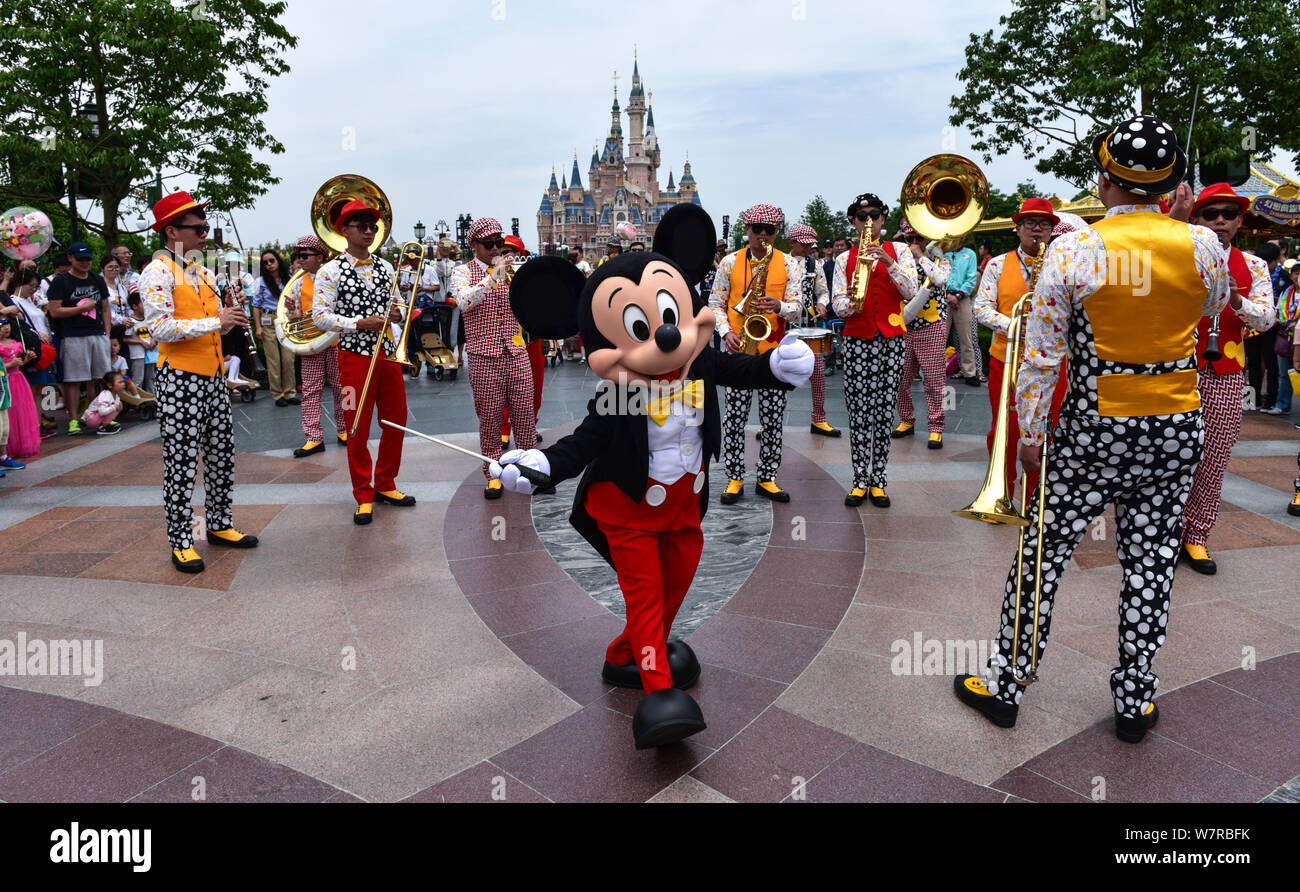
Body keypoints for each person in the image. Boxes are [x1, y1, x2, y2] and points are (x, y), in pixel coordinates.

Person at [953, 115, 1231, 743]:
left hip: (1093, 427)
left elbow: (1043, 353)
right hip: (1176, 420)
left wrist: (1028, 434)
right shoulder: (1204, 246)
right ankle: (1134, 699)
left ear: (1104, 178)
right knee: (1152, 559)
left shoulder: (1073, 249)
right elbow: (1212, 307)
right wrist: (1181, 229)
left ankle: (1006, 683)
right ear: (1170, 184)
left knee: (1042, 554)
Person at [141, 190, 259, 573]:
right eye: (198, 228)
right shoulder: (157, 272)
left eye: (205, 226)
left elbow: (215, 320)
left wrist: (231, 315)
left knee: (222, 454)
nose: (205, 233)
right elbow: (159, 328)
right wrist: (217, 321)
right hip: (179, 378)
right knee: (181, 461)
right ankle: (181, 541)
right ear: (172, 231)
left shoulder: (201, 271)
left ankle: (220, 524)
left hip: (211, 376)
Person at [1175, 184, 1276, 575]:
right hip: (1175, 367)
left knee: (1214, 457)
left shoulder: (1253, 266)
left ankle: (1197, 536)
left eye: (1228, 214)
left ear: (1238, 222)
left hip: (1227, 372)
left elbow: (1267, 320)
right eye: (1210, 213)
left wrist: (1237, 301)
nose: (1220, 220)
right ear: (1196, 219)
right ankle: (1163, 533)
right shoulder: (1178, 256)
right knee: (1168, 455)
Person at [312, 200, 416, 524]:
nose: (369, 231)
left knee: (396, 421)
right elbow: (320, 317)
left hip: (386, 354)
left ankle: (386, 483)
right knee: (356, 426)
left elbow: (397, 303)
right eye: (362, 226)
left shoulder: (386, 268)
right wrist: (359, 323)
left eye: (372, 226)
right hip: (353, 358)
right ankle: (363, 493)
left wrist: (397, 313)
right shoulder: (330, 271)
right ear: (345, 231)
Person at [973, 197, 1068, 498]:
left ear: (1052, 230)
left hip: (1052, 362)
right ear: (1018, 228)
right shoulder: (997, 264)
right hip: (1006, 358)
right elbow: (981, 308)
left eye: (1044, 224)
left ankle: (1036, 496)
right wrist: (1017, 326)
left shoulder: (1063, 264)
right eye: (1030, 223)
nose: (1037, 229)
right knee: (1005, 428)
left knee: (1048, 427)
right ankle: (1001, 490)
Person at [709, 204, 803, 504]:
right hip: (738, 351)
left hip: (774, 355)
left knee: (773, 419)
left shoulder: (790, 264)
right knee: (734, 419)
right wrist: (726, 332)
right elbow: (715, 303)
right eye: (756, 229)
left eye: (769, 230)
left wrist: (779, 307)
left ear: (777, 232)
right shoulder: (728, 263)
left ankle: (767, 478)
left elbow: (798, 308)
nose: (762, 235)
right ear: (747, 230)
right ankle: (735, 477)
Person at [831, 193, 919, 507]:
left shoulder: (902, 251)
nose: (868, 220)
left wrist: (888, 261)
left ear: (883, 219)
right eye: (861, 215)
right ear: (854, 222)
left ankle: (878, 479)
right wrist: (851, 302)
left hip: (892, 337)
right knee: (858, 411)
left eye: (874, 215)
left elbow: (910, 290)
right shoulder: (844, 259)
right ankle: (859, 480)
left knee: (884, 411)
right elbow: (837, 304)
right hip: (857, 338)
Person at [448, 217, 537, 499]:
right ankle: (493, 472)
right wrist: (493, 277)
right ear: (473, 244)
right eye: (489, 244)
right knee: (489, 418)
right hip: (483, 355)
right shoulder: (462, 272)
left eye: (499, 243)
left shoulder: (512, 270)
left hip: (516, 349)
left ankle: (531, 470)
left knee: (525, 414)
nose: (496, 249)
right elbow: (464, 302)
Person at [891, 217, 951, 449]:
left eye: (919, 238)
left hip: (932, 324)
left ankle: (936, 428)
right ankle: (906, 420)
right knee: (900, 379)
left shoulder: (939, 257)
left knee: (935, 380)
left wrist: (921, 256)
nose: (914, 242)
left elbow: (940, 279)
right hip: (903, 326)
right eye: (909, 238)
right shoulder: (899, 258)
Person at [283, 235, 344, 458]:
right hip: (311, 342)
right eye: (298, 256)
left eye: (304, 256)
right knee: (310, 391)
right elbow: (296, 317)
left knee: (343, 388)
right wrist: (292, 310)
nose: (300, 260)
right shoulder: (298, 282)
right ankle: (313, 437)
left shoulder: (335, 276)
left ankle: (345, 429)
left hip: (336, 340)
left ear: (320, 257)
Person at [46, 242, 112, 435]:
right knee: (74, 380)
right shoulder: (62, 281)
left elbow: (105, 307)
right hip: (73, 336)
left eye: (88, 259)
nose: (85, 262)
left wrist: (107, 334)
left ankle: (99, 416)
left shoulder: (96, 279)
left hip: (97, 334)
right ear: (70, 258)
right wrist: (81, 309)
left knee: (99, 378)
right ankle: (74, 419)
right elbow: (55, 311)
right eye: (80, 259)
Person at [787, 223, 840, 437]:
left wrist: (822, 302)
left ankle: (819, 419)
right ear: (792, 242)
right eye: (804, 244)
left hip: (810, 325)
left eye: (811, 244)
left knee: (818, 373)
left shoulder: (814, 264)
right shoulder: (780, 262)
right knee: (778, 374)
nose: (809, 248)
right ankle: (769, 421)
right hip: (784, 326)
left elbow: (823, 291)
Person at [500, 234, 545, 445]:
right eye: (503, 252)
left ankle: (530, 426)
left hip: (530, 337)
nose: (508, 255)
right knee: (504, 387)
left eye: (512, 251)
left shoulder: (530, 274)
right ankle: (504, 429)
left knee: (534, 386)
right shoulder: (495, 276)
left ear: (521, 254)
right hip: (506, 339)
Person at [252, 249, 298, 406]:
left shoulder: (289, 279)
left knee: (288, 358)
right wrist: (258, 327)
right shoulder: (261, 282)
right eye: (265, 262)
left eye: (271, 260)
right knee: (273, 360)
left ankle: (290, 393)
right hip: (268, 320)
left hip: (285, 319)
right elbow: (256, 305)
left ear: (278, 260)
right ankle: (278, 395)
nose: (269, 264)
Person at [1246, 242, 1282, 411]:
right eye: (1263, 261)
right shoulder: (1254, 271)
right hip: (1252, 324)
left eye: (1269, 262)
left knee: (1270, 363)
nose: (1266, 265)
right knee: (1252, 362)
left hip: (1272, 326)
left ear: (1276, 261)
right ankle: (1252, 400)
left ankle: (1271, 400)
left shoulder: (1286, 278)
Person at [945, 236, 981, 386]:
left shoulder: (970, 254)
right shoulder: (942, 254)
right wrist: (947, 294)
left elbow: (971, 278)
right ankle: (934, 371)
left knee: (966, 337)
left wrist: (958, 295)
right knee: (940, 337)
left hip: (963, 298)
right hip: (943, 297)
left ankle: (970, 373)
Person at [0, 317, 38, 459]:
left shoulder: (15, 343)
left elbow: (17, 364)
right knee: (8, 414)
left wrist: (25, 360)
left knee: (20, 412)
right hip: (4, 382)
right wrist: (10, 365)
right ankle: (6, 450)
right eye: (2, 325)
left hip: (18, 380)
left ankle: (20, 446)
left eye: (7, 324)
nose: (6, 328)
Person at [81, 369, 126, 435]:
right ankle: (103, 427)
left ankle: (105, 425)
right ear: (110, 385)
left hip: (96, 418)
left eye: (123, 381)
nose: (123, 384)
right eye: (120, 382)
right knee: (115, 406)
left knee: (118, 405)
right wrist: (114, 407)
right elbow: (102, 412)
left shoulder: (116, 395)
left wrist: (118, 407)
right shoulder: (105, 395)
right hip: (91, 419)